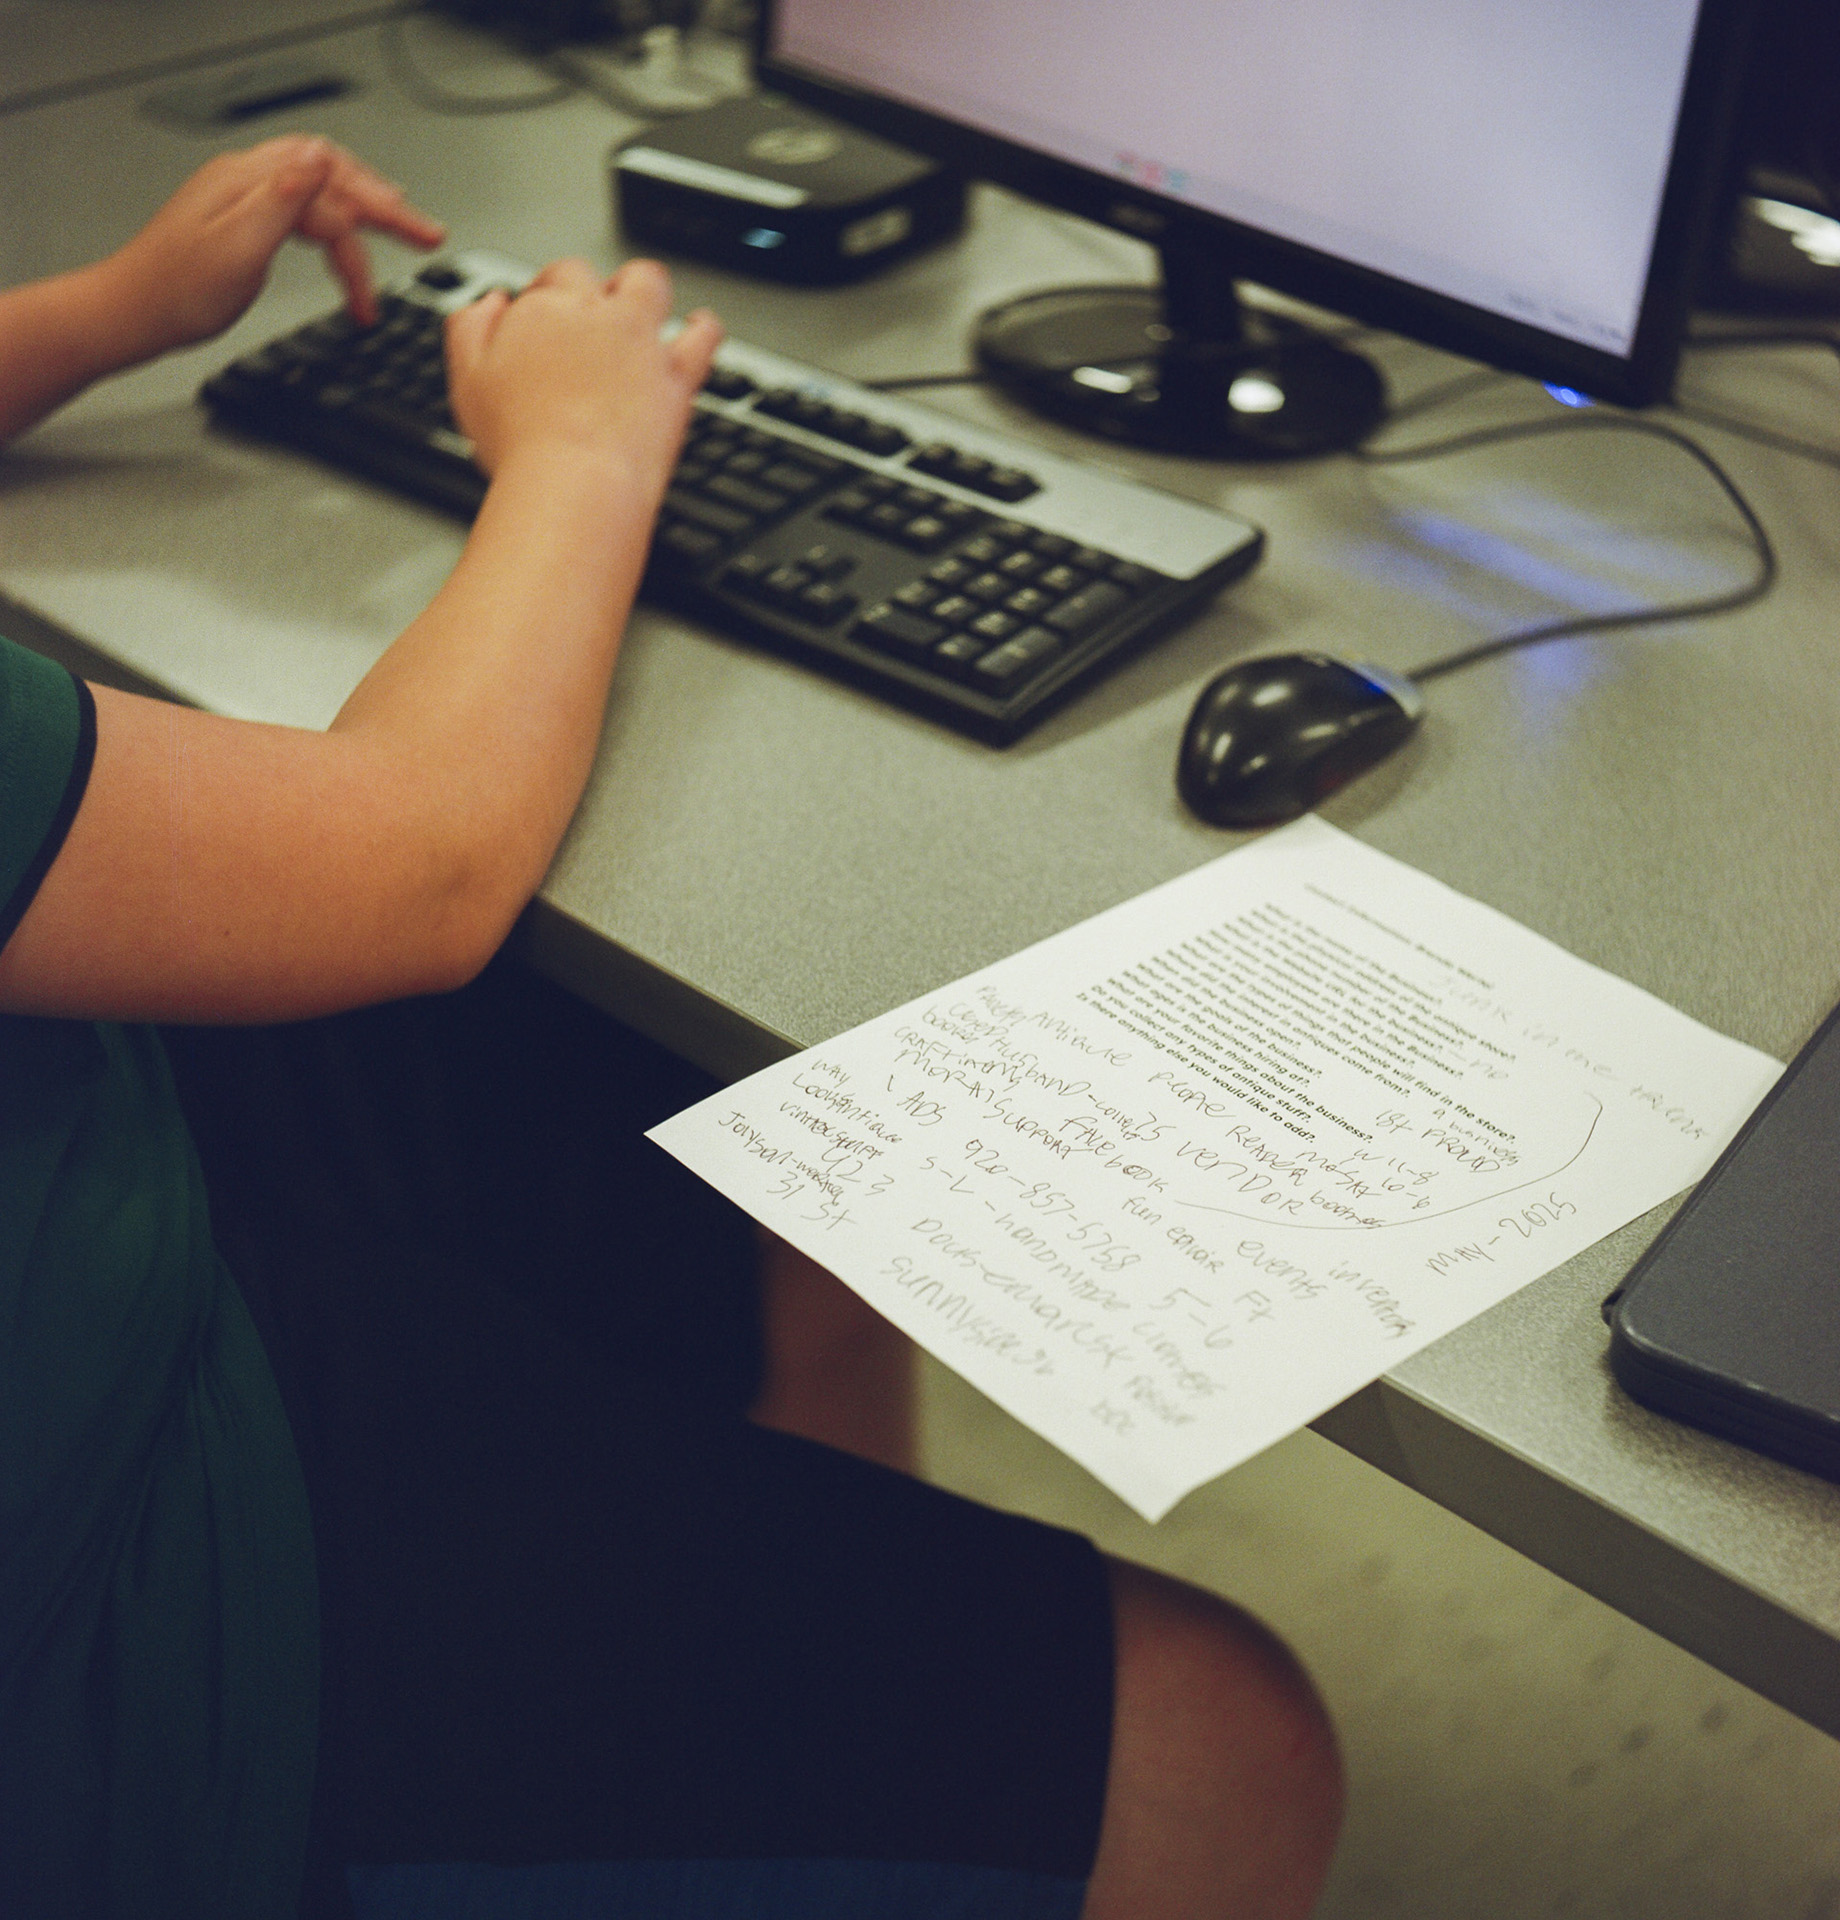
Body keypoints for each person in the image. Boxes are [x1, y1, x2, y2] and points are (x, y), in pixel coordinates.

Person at [0, 136, 1343, 1919]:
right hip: (117, 1642)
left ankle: (783, 1601)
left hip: (94, 1189)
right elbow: (421, 863)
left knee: (696, 1073)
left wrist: (98, 316)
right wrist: (583, 444)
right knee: (1229, 1748)